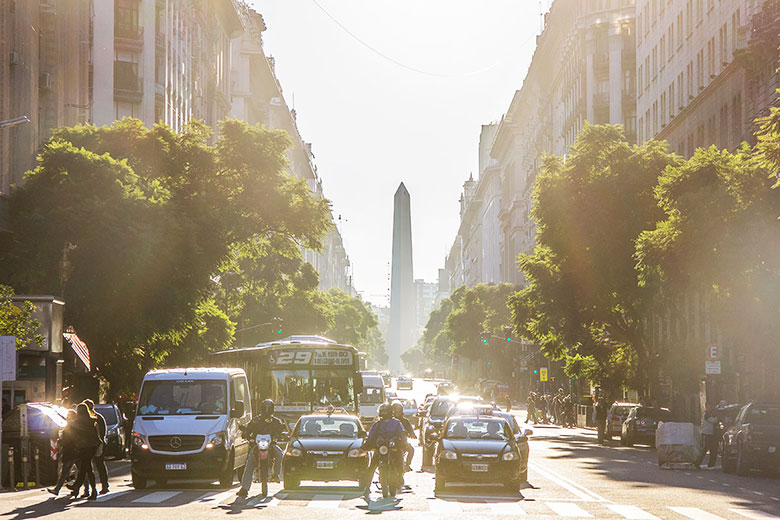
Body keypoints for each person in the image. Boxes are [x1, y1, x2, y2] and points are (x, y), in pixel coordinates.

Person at [236, 399, 287, 498]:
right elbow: (248, 428)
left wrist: (280, 435)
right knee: (250, 462)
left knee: (279, 453)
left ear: (272, 409)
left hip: (271, 444)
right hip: (257, 445)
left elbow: (281, 429)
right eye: (265, 408)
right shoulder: (256, 420)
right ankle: (244, 488)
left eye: (269, 408)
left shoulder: (276, 421)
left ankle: (276, 474)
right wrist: (246, 433)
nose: (267, 410)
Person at [363, 403, 406, 496]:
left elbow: (402, 434)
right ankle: (367, 487)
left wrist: (402, 443)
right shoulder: (377, 424)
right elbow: (371, 436)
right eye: (382, 411)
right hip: (381, 449)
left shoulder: (396, 423)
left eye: (385, 411)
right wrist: (367, 445)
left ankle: (399, 476)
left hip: (393, 448)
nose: (383, 413)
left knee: (400, 461)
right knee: (372, 467)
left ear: (390, 412)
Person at [70, 403, 102, 500]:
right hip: (92, 447)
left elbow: (75, 436)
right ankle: (78, 486)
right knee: (86, 468)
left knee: (86, 469)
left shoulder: (77, 422)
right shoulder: (92, 421)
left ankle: (81, 487)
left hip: (84, 447)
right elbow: (97, 435)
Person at [47, 410, 79, 496]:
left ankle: (57, 489)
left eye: (68, 415)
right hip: (77, 451)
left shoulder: (70, 426)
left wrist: (60, 441)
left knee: (65, 471)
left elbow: (67, 439)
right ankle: (86, 490)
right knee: (82, 471)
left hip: (70, 451)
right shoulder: (77, 425)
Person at [82, 399, 109, 494]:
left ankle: (102, 486)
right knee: (95, 466)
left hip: (96, 444)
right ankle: (102, 486)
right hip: (94, 444)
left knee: (96, 465)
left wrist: (99, 442)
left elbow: (102, 432)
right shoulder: (96, 417)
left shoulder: (96, 417)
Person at [390, 401, 415, 472]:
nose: (397, 413)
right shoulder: (387, 421)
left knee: (411, 450)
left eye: (399, 411)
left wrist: (412, 434)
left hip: (401, 443)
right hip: (388, 443)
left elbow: (411, 430)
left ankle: (407, 465)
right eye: (395, 411)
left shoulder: (405, 421)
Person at [697, 403, 719, 468]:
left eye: (711, 407)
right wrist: (718, 416)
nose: (710, 408)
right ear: (706, 407)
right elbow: (713, 421)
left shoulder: (710, 414)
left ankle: (711, 464)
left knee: (713, 449)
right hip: (706, 434)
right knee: (704, 449)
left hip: (711, 434)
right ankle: (697, 463)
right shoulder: (706, 414)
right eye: (709, 407)